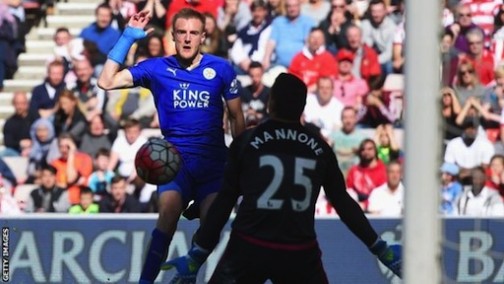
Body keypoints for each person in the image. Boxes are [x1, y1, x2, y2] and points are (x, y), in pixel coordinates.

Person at [161, 73, 401, 283]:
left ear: (270, 103)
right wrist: (380, 248)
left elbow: (224, 202)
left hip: (249, 246)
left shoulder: (246, 142)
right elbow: (343, 203)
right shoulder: (320, 148)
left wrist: (197, 255)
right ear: (303, 107)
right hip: (298, 251)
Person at [97, 8, 245, 283]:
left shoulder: (222, 68)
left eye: (193, 33)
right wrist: (128, 36)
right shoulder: (157, 69)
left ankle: (188, 270)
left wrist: (241, 162)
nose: (187, 39)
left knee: (213, 224)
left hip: (213, 163)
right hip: (174, 162)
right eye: (181, 33)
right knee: (167, 215)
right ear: (173, 37)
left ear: (203, 36)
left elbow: (237, 116)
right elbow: (105, 82)